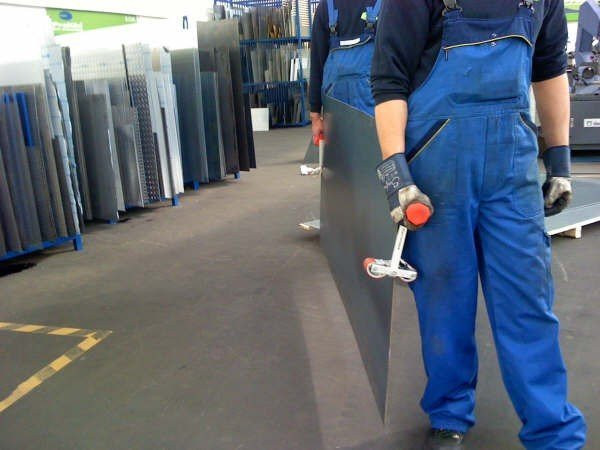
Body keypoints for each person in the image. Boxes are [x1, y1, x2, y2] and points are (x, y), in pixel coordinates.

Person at [371, 1, 587, 449]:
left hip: (513, 172)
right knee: (444, 301)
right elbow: (390, 81)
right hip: (437, 171)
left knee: (528, 302)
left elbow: (549, 70)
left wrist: (560, 160)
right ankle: (449, 414)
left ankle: (553, 430)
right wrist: (397, 177)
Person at [309, 0, 382, 143]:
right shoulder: (325, 7)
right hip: (361, 113)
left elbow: (317, 65)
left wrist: (315, 115)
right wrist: (315, 115)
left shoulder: (325, 7)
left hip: (367, 113)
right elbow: (317, 65)